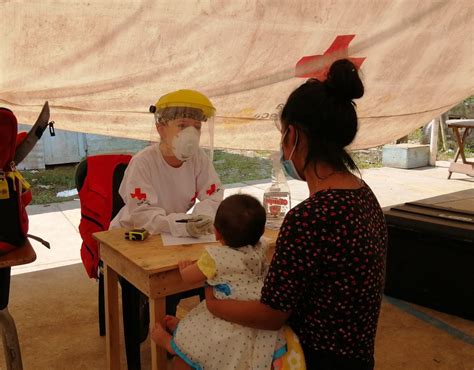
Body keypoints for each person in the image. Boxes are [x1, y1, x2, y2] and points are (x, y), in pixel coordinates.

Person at [204, 59, 388, 370]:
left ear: (294, 137)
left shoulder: (310, 217)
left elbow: (271, 315)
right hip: (357, 358)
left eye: (282, 135)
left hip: (310, 359)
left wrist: (214, 304)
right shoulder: (364, 195)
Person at [150, 194, 305, 370]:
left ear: (216, 233)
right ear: (261, 231)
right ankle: (182, 328)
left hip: (225, 315)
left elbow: (189, 278)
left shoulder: (214, 258)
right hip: (253, 312)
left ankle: (172, 344)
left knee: (203, 331)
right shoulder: (261, 248)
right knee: (199, 325)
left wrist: (185, 268)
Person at [110, 88, 223, 238]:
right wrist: (183, 225)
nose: (191, 134)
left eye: (196, 127)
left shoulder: (198, 158)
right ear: (161, 129)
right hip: (132, 234)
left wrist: (200, 219)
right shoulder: (142, 163)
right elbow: (142, 215)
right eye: (182, 126)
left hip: (171, 235)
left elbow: (213, 195)